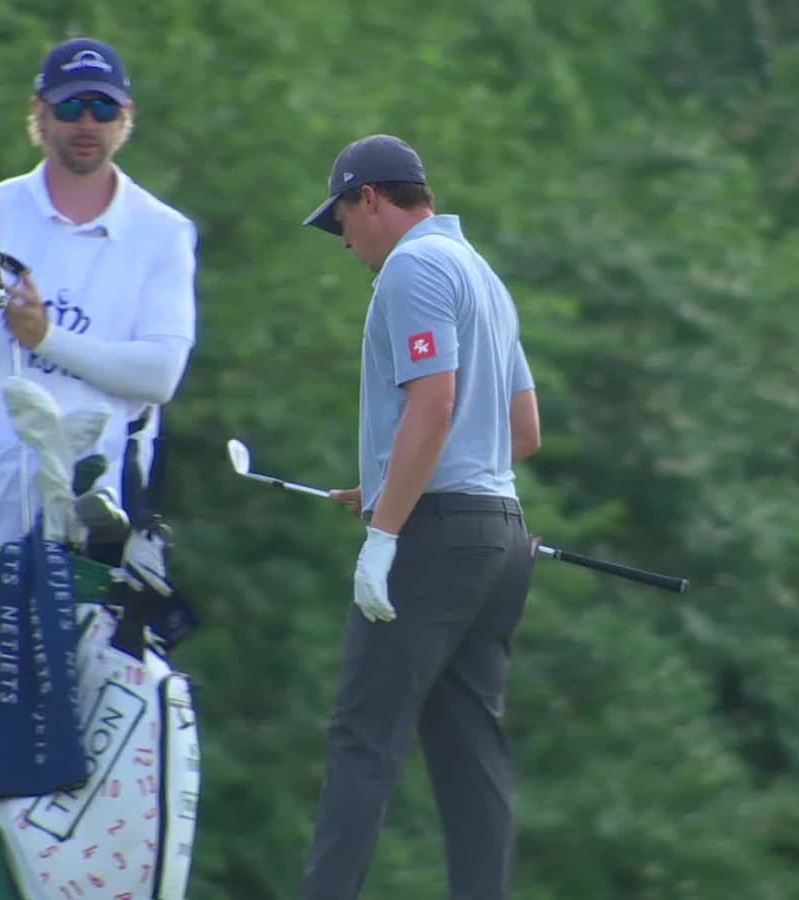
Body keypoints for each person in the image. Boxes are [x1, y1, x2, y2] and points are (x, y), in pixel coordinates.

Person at [296, 133, 542, 900]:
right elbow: (521, 431)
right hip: (500, 534)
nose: (346, 244)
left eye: (341, 222)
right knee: (472, 753)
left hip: (436, 539)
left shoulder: (413, 267)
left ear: (368, 198)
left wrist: (384, 533)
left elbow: (434, 406)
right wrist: (386, 482)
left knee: (363, 739)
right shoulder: (482, 275)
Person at [0, 36, 199, 625]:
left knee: (86, 682)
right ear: (39, 115)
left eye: (103, 108)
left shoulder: (162, 232)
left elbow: (160, 376)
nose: (86, 123)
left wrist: (45, 337)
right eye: (70, 107)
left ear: (126, 118)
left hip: (100, 510)